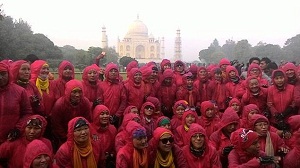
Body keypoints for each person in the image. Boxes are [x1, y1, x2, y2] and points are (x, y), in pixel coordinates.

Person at [51, 79, 92, 147]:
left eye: (80, 92)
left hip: (81, 135)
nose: (77, 95)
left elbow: (88, 120)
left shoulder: (85, 102)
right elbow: (56, 125)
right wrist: (66, 138)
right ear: (68, 92)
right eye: (74, 92)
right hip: (64, 137)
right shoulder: (59, 104)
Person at [0, 62, 33, 144]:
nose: (0, 77)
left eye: (3, 74)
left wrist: (18, 129)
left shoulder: (20, 91)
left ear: (9, 73)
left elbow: (27, 113)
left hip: (11, 138)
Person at [99, 63, 127, 128]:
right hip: (104, 116)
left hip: (117, 117)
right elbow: (100, 102)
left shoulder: (120, 86)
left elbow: (123, 101)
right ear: (107, 72)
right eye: (111, 71)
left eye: (115, 71)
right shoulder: (101, 85)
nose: (113, 73)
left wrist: (117, 115)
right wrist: (105, 115)